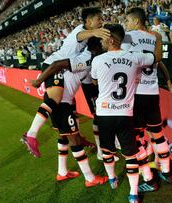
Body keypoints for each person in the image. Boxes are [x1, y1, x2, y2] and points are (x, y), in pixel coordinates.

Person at [22, 7, 111, 157]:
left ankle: (62, 166)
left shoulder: (89, 42)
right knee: (55, 99)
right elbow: (80, 36)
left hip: (59, 68)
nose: (101, 22)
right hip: (53, 65)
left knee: (62, 113)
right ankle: (31, 134)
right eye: (98, 19)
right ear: (89, 21)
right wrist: (39, 80)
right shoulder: (80, 32)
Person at [91, 23, 158, 203]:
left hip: (104, 113)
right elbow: (154, 57)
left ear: (111, 39)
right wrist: (157, 39)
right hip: (126, 114)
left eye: (103, 37)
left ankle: (112, 179)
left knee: (107, 151)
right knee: (130, 155)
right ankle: (133, 194)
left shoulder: (97, 60)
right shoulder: (134, 57)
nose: (101, 41)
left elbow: (95, 82)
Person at [31, 37, 109, 187]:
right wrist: (39, 80)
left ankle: (62, 172)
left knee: (64, 137)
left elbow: (83, 81)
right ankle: (90, 178)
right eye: (103, 45)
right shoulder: (87, 59)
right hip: (62, 103)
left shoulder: (85, 59)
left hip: (62, 100)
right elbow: (57, 65)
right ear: (97, 48)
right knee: (75, 140)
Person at [122, 7, 172, 190]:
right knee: (158, 135)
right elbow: (159, 62)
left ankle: (148, 179)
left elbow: (118, 59)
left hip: (135, 94)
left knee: (137, 139)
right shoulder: (155, 37)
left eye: (128, 21)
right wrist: (168, 81)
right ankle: (168, 172)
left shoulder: (128, 37)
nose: (126, 24)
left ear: (136, 21)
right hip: (152, 93)